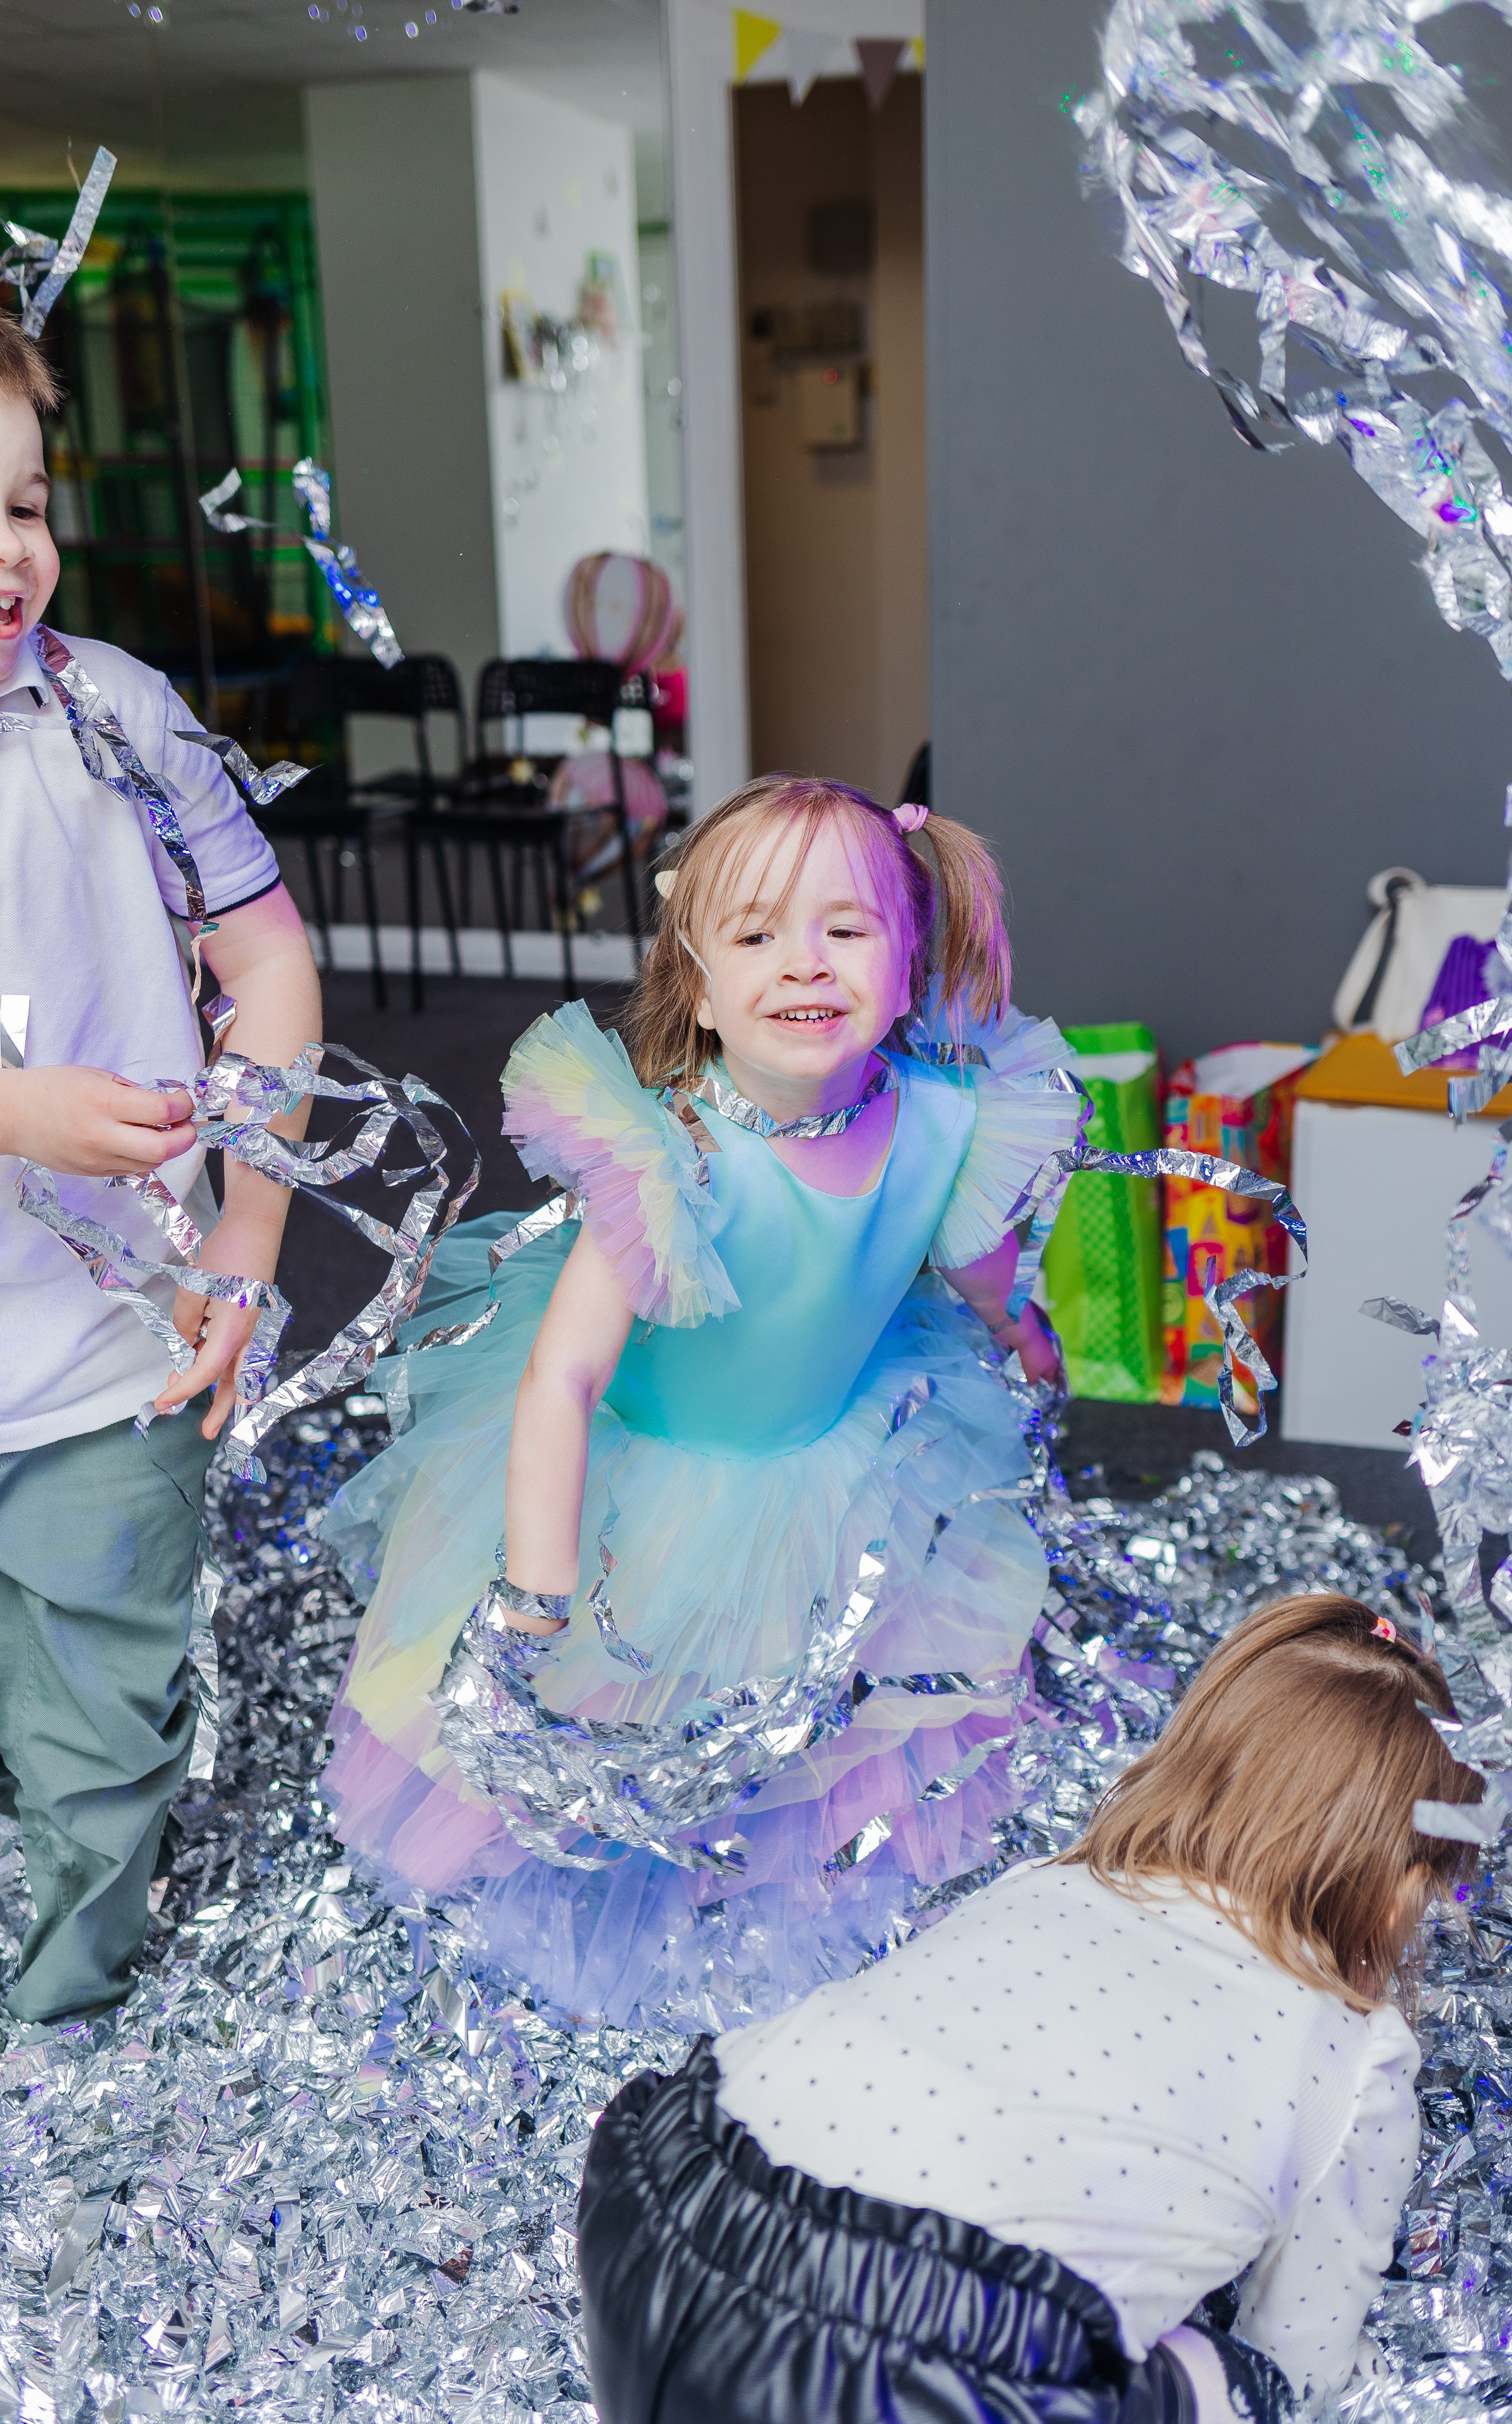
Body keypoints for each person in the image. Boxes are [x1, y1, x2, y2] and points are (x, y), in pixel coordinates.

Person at [321, 773, 1080, 2028]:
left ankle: (776, 1917)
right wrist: (534, 1594)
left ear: (909, 962)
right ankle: (615, 1919)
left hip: (844, 1452)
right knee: (634, 1713)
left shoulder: (949, 1118)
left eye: (845, 930)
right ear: (700, 979)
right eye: (754, 934)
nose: (803, 965)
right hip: (647, 1482)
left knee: (819, 1719)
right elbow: (560, 1381)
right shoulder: (668, 1159)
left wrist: (1020, 1333)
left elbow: (973, 1260)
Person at [576, 1591, 1482, 2424]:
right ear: (1404, 1882)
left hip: (657, 2216)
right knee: (1247, 2390)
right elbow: (1304, 2356)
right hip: (907, 2381)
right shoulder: (1361, 2052)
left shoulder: (1056, 1880)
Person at [0, 315, 321, 2027]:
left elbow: (269, 969)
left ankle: (61, 2021)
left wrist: (251, 1225)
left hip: (114, 1348)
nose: (11, 555)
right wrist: (12, 1112)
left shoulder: (113, 710)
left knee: (99, 1724)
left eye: (26, 504)